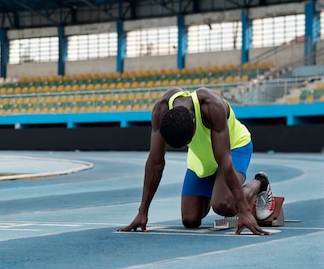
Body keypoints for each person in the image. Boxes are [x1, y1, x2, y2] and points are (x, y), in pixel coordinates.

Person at [118, 87, 275, 236]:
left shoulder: (212, 106)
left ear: (193, 121)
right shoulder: (161, 109)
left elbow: (224, 161)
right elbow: (155, 162)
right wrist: (142, 212)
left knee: (224, 205)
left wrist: (244, 212)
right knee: (190, 220)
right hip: (200, 156)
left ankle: (260, 183)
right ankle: (218, 188)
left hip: (234, 148)